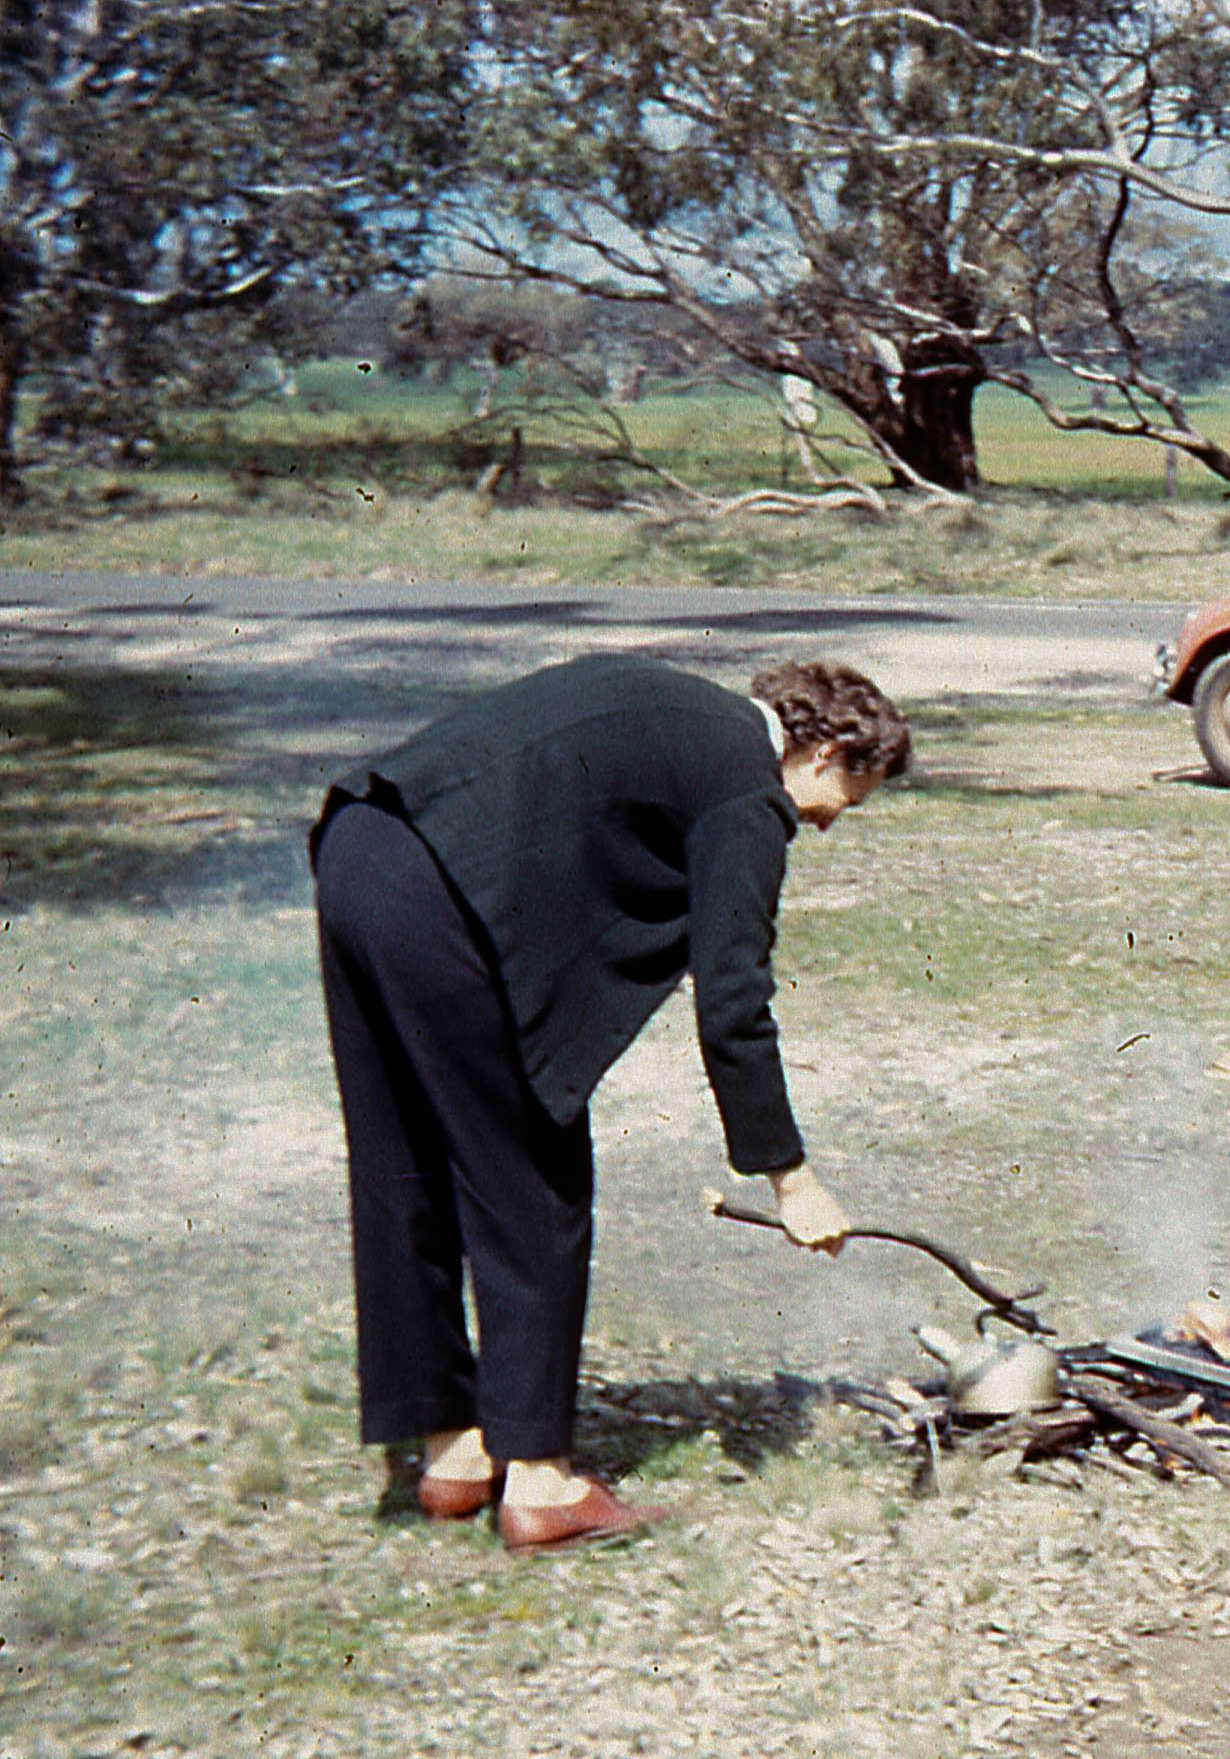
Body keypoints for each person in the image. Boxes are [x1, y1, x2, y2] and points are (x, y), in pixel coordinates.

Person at [312, 654, 909, 1550]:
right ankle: (542, 1484)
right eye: (843, 801)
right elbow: (734, 997)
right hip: (437, 895)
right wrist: (790, 1178)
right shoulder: (747, 783)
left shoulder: (687, 709)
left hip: (358, 848)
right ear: (823, 750)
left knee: (403, 1164)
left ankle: (452, 1451)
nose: (822, 823)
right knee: (535, 1179)